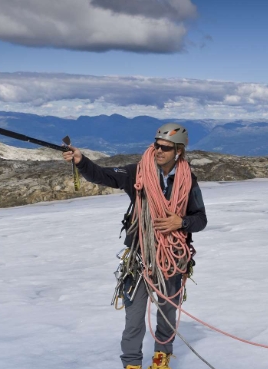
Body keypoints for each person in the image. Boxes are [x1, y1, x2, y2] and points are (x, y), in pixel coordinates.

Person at [63, 123, 207, 369]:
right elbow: (104, 175)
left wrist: (180, 222)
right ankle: (131, 364)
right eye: (156, 145)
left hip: (171, 257)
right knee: (134, 317)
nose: (158, 150)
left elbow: (200, 219)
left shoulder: (188, 181)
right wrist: (81, 161)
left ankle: (161, 357)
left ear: (179, 152)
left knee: (167, 312)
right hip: (139, 257)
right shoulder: (138, 173)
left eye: (165, 148)